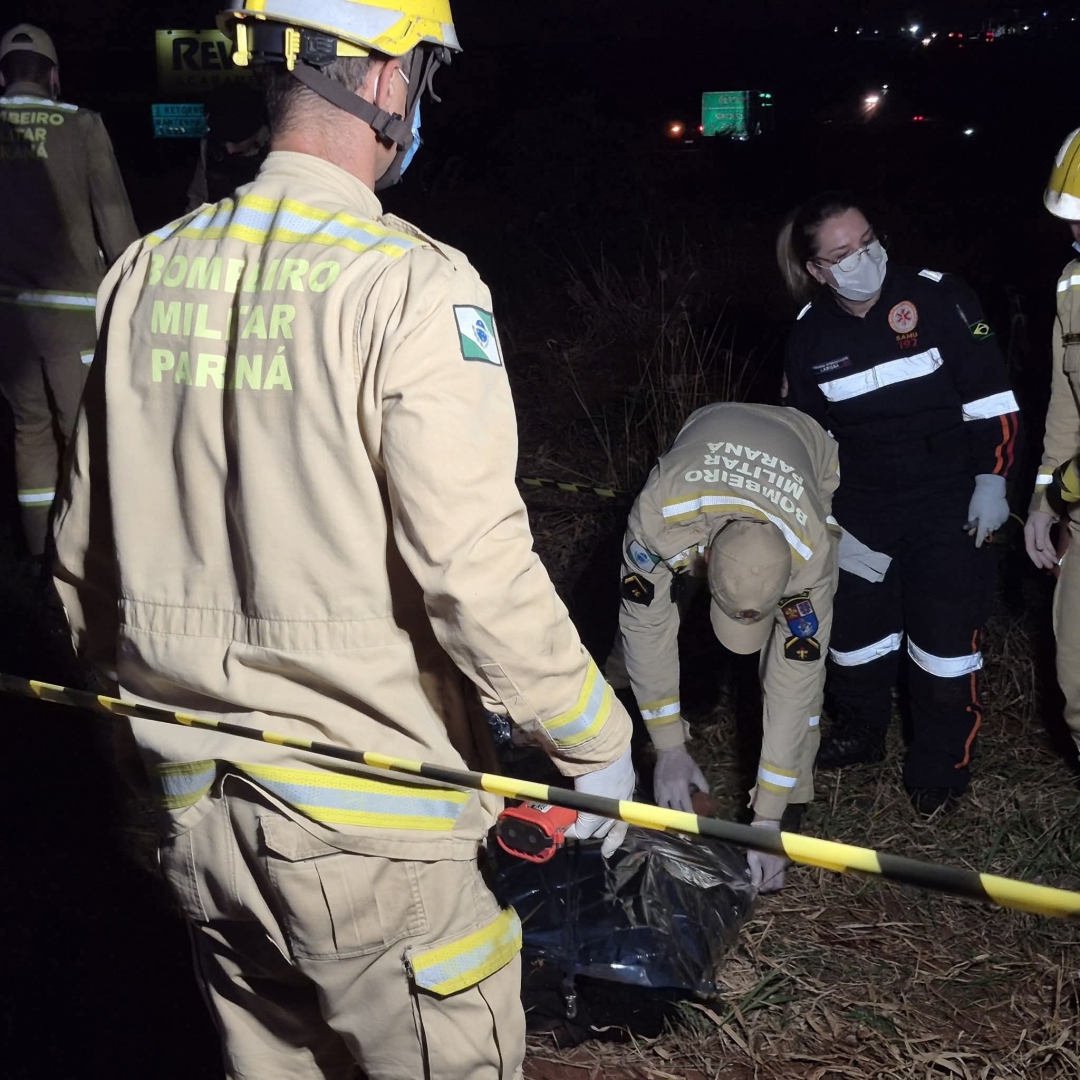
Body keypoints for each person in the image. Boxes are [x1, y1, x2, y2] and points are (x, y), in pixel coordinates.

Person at [51, 2, 633, 1076]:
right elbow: (473, 565)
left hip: (199, 815)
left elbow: (82, 553)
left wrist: (141, 740)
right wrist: (593, 741)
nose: (422, 101)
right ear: (378, 77)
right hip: (377, 836)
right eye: (423, 74)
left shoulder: (143, 270)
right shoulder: (410, 282)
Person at [779, 194, 1020, 816]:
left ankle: (940, 764)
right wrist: (819, 515)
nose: (863, 258)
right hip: (861, 507)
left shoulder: (940, 296)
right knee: (856, 635)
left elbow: (991, 396)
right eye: (842, 254)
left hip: (949, 500)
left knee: (944, 642)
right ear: (817, 270)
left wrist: (992, 479)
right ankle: (861, 731)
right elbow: (806, 436)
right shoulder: (809, 333)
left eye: (867, 242)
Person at [616, 402, 840, 893]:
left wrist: (767, 817)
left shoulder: (811, 555)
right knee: (640, 627)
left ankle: (789, 804)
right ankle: (620, 744)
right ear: (706, 556)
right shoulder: (660, 517)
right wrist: (668, 746)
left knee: (800, 681)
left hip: (808, 445)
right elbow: (645, 624)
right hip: (707, 436)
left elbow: (796, 677)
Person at [0, 23, 137, 563]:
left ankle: (39, 555)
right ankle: (86, 560)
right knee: (83, 434)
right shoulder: (81, 125)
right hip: (72, 317)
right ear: (53, 76)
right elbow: (115, 220)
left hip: (8, 318)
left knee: (29, 431)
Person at [1024, 128, 1080, 763]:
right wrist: (1045, 499)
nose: (1074, 233)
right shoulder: (1072, 284)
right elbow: (1067, 401)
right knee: (1077, 685)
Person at [185, 81, 270, 211]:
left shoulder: (278, 148)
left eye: (236, 141)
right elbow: (197, 199)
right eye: (223, 141)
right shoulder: (208, 145)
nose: (229, 150)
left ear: (257, 131)